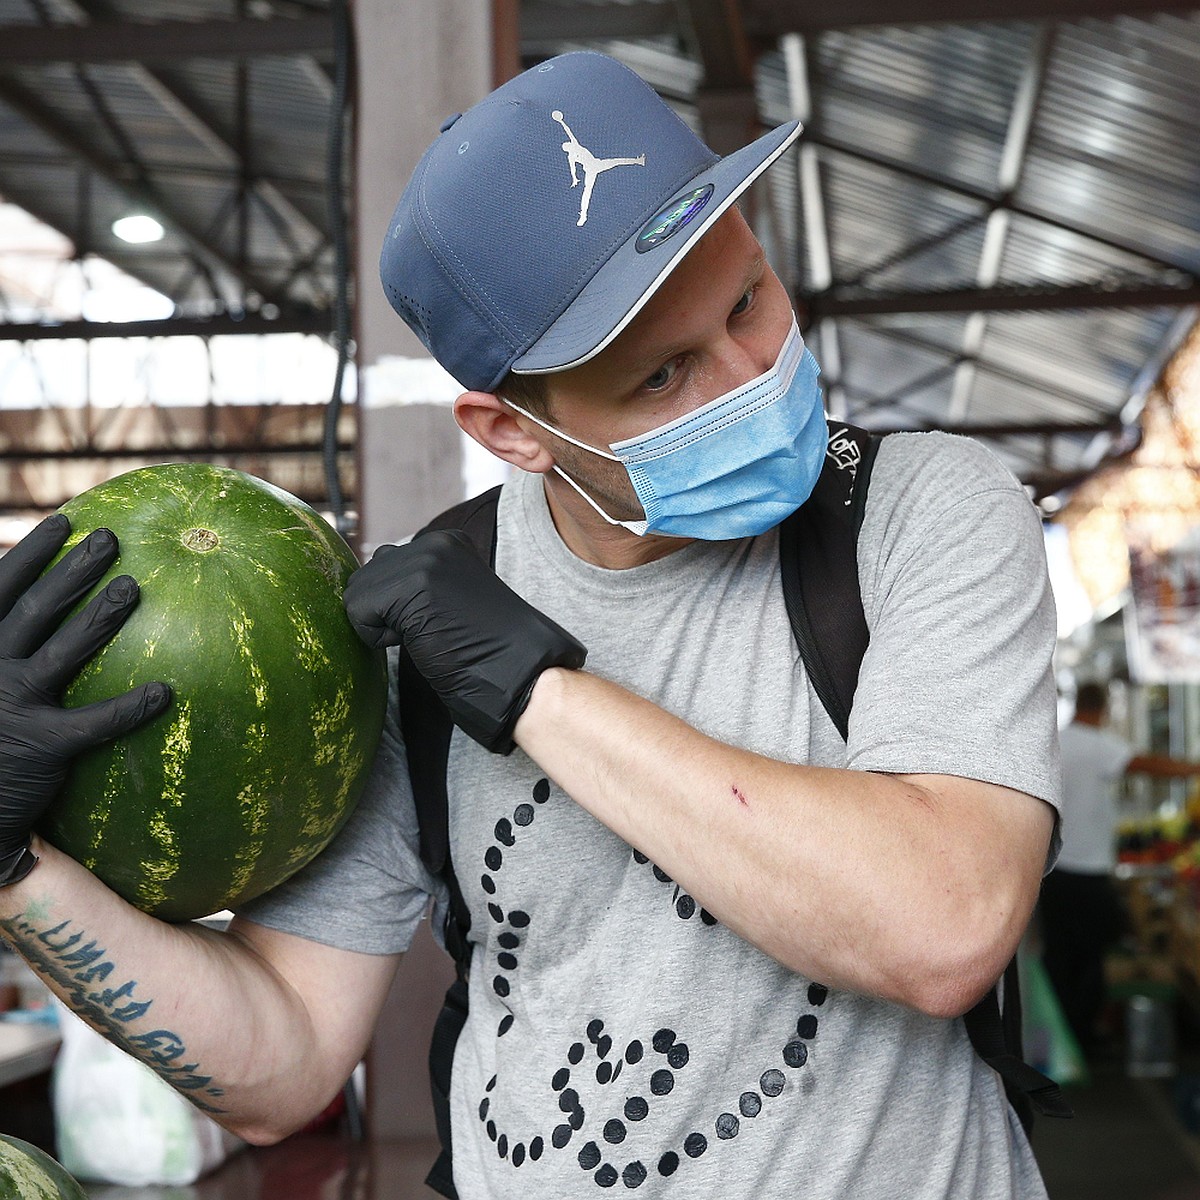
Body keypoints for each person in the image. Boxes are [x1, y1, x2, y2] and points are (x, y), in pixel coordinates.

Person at [0, 50, 1060, 1199]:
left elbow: (945, 926)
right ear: (512, 434)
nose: (751, 377)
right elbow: (284, 1063)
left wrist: (536, 691)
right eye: (663, 378)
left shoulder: (923, 512)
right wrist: (18, 871)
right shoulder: (413, 629)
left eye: (749, 299)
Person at [1040, 680, 1200, 1055]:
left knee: (1060, 954)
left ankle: (1061, 1036)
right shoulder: (1095, 744)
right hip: (1088, 870)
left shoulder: (1058, 741)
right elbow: (1147, 765)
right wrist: (1193, 770)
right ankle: (1084, 1036)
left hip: (1054, 868)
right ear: (1103, 708)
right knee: (1096, 952)